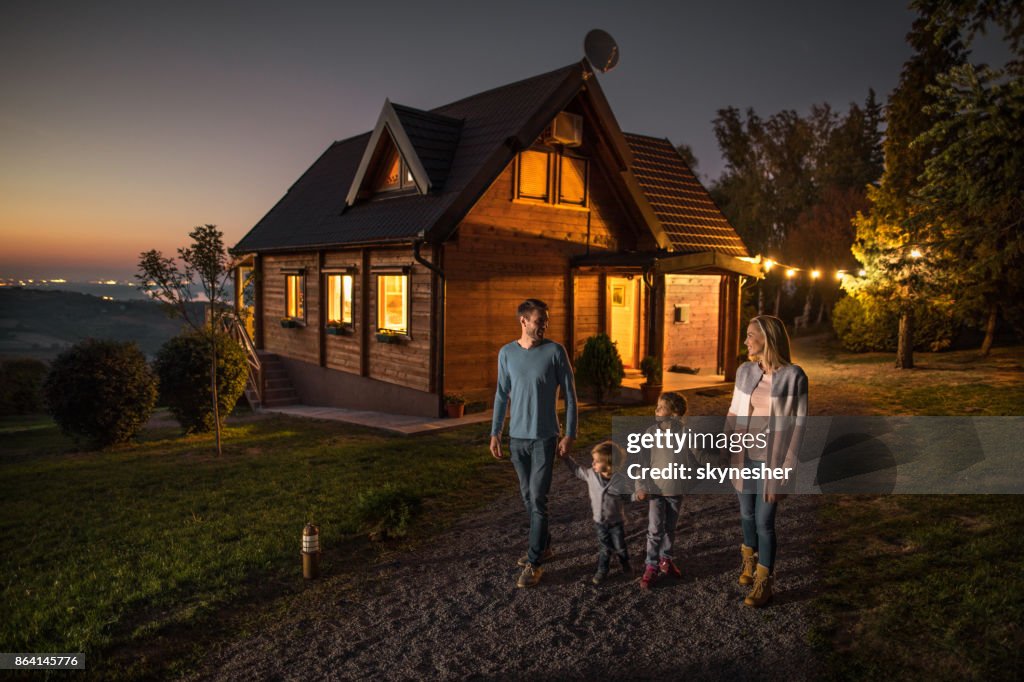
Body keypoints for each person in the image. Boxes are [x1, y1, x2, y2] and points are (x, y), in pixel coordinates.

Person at [490, 299, 577, 588]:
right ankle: (545, 544)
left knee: (538, 498)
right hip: (517, 439)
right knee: (528, 497)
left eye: (546, 321)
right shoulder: (506, 353)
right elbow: (502, 395)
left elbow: (570, 395)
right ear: (524, 321)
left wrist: (570, 433)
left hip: (545, 438)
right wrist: (495, 432)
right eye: (540, 320)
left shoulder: (555, 352)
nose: (545, 325)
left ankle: (534, 562)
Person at [726, 315, 807, 607]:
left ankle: (764, 582)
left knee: (764, 520)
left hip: (770, 463)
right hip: (743, 456)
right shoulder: (745, 372)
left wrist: (785, 472)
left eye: (750, 335)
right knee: (746, 514)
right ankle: (749, 561)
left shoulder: (794, 376)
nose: (746, 341)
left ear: (767, 338)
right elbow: (734, 413)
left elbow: (798, 427)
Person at [635, 391, 694, 590]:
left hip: (676, 490)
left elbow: (697, 456)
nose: (656, 410)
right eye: (657, 406)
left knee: (670, 528)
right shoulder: (651, 433)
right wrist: (640, 485)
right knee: (654, 529)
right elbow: (641, 461)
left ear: (674, 413)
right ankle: (651, 565)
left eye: (661, 407)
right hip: (655, 491)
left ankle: (665, 560)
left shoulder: (685, 433)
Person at [561, 441, 633, 585]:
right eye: (593, 460)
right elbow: (577, 469)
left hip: (616, 522)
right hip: (600, 522)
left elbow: (627, 497)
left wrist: (638, 495)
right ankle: (602, 570)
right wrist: (565, 457)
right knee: (605, 548)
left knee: (620, 546)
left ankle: (624, 563)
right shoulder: (590, 475)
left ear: (610, 465)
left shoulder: (620, 481)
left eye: (597, 461)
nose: (592, 464)